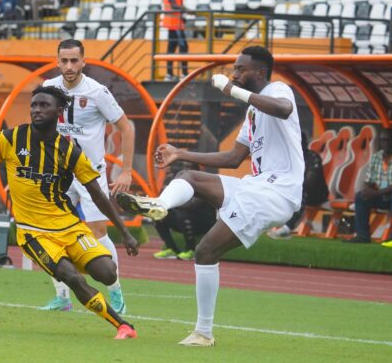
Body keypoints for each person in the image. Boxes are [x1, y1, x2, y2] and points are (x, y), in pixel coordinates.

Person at [116, 46, 304, 346]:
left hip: (277, 193)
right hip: (255, 185)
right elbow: (232, 158)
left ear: (261, 72)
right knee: (188, 176)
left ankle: (203, 333)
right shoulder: (253, 112)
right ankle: (159, 204)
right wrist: (180, 153)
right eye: (234, 69)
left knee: (205, 251)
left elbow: (283, 109)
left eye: (241, 69)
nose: (235, 73)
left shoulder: (278, 89)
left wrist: (232, 90)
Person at [0, 85, 139, 339]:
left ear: (59, 111)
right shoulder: (10, 139)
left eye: (44, 105)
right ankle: (122, 325)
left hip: (70, 227)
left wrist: (124, 232)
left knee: (107, 273)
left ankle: (70, 262)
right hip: (34, 233)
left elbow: (97, 192)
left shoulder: (69, 151)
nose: (37, 110)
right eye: (34, 105)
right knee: (71, 278)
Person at [40, 39, 136, 314]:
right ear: (57, 61)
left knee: (98, 231)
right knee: (49, 231)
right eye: (64, 60)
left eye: (74, 60)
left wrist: (126, 171)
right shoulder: (49, 87)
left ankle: (116, 292)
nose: (69, 66)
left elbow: (126, 128)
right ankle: (62, 296)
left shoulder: (97, 92)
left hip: (89, 174)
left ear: (84, 61)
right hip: (57, 172)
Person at [268, 131, 328, 239]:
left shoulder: (313, 157)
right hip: (296, 192)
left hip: (316, 195)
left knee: (299, 191)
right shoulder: (289, 159)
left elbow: (310, 182)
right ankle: (270, 223)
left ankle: (287, 229)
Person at [153, 164, 216, 260]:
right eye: (184, 168)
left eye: (188, 168)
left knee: (183, 213)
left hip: (204, 222)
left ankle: (191, 250)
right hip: (185, 219)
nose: (185, 171)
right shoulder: (179, 182)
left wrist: (173, 203)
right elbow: (164, 199)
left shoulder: (203, 184)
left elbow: (191, 205)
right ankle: (172, 249)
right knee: (159, 215)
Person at [345, 128, 392, 244]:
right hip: (381, 195)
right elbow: (368, 180)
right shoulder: (376, 157)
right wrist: (367, 190)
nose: (385, 143)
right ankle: (362, 236)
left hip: (388, 195)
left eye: (388, 140)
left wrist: (375, 193)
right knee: (361, 197)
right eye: (382, 140)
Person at [162, 0, 189, 81]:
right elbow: (173, 5)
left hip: (176, 24)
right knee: (183, 48)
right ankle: (183, 74)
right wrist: (186, 9)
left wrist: (182, 16)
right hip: (174, 25)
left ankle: (170, 74)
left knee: (172, 49)